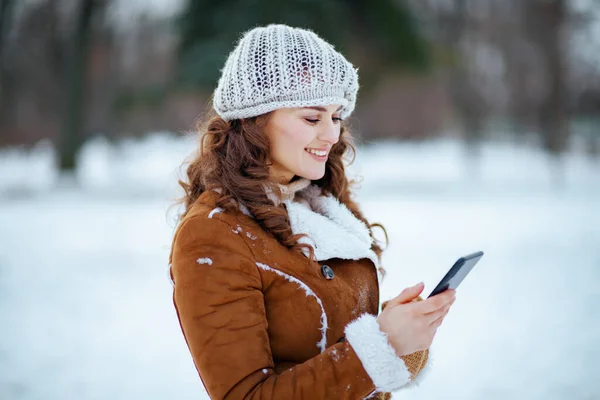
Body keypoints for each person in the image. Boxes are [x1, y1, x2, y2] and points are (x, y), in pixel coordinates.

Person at [169, 24, 456, 400]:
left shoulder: (317, 206)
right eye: (312, 118)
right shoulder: (212, 236)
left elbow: (330, 343)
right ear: (256, 120)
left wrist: (401, 333)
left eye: (336, 117)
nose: (332, 135)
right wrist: (381, 345)